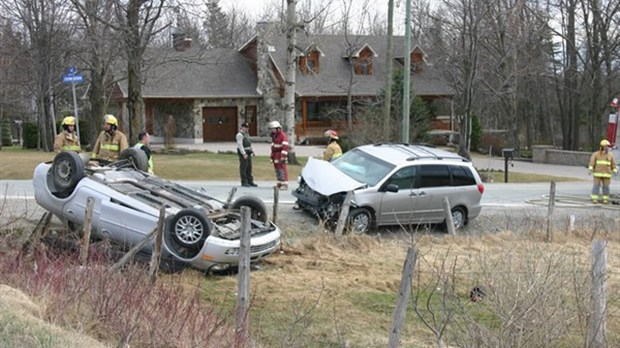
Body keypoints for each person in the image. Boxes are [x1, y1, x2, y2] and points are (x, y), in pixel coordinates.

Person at [588, 139, 618, 204]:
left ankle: (605, 200)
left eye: (607, 146)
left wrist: (615, 170)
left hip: (607, 174)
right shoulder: (596, 154)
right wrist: (590, 169)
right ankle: (595, 199)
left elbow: (613, 164)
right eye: (605, 146)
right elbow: (592, 162)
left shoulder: (611, 155)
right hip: (597, 174)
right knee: (596, 186)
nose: (607, 148)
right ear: (602, 147)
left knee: (606, 188)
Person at [269, 120, 289, 190]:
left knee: (282, 170)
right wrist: (272, 156)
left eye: (273, 129)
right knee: (277, 170)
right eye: (272, 129)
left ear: (278, 128)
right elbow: (273, 147)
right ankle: (279, 183)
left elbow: (285, 146)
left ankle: (284, 184)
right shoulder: (274, 136)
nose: (272, 130)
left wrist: (283, 156)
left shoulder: (282, 135)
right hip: (275, 155)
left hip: (280, 155)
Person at [236, 122, 257, 187]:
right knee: (244, 167)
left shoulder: (246, 134)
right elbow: (240, 145)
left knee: (249, 167)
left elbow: (249, 143)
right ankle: (244, 181)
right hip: (244, 153)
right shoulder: (239, 135)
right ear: (242, 127)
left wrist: (252, 151)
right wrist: (243, 154)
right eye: (245, 127)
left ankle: (250, 181)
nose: (247, 129)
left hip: (248, 152)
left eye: (247, 127)